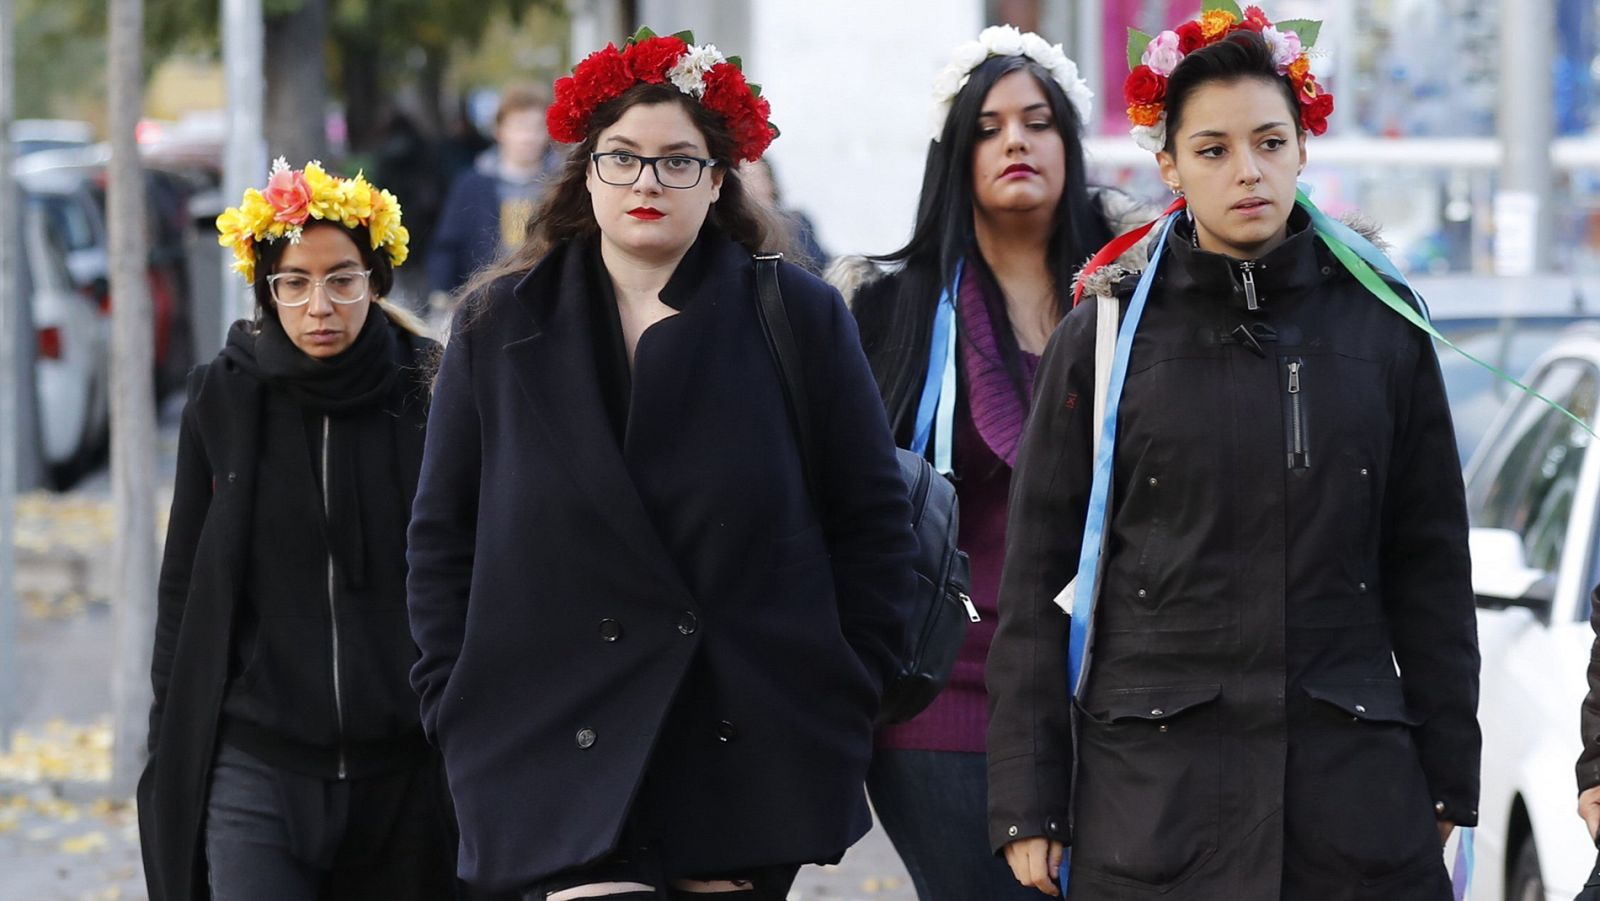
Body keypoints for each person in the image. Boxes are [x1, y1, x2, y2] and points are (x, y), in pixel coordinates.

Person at [405, 28, 917, 901]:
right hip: (549, 747)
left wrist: (842, 693)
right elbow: (441, 537)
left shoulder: (798, 317)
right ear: (587, 171)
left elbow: (871, 525)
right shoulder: (499, 325)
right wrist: (455, 703)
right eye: (624, 158)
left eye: (679, 161)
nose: (648, 181)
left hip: (740, 751)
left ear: (719, 179)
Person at [987, 9, 1479, 900]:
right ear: (1168, 164)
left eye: (1269, 141)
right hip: (1154, 805)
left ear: (1302, 149)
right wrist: (1030, 801)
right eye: (1212, 149)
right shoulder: (1104, 335)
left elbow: (1431, 563)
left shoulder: (1381, 325)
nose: (1247, 171)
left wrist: (1450, 772)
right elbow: (1037, 581)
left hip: (1353, 803)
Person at [834, 26, 1152, 901]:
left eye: (1038, 121)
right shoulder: (884, 307)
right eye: (989, 126)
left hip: (1126, 693)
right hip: (947, 698)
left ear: (1071, 142)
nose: (1015, 140)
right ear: (956, 153)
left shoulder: (1146, 300)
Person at [138, 160, 451, 901]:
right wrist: (170, 740)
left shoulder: (432, 387)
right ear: (266, 288)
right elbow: (185, 584)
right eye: (295, 283)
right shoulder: (222, 395)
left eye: (342, 279)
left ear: (375, 280)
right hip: (258, 771)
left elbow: (472, 569)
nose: (320, 305)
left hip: (408, 775)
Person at [427, 84, 560, 298]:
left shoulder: (561, 184)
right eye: (519, 127)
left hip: (548, 296)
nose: (528, 137)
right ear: (500, 131)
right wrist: (442, 293)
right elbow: (448, 244)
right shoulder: (472, 183)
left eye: (536, 127)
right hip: (485, 298)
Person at [738, 157, 827, 272]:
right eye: (746, 176)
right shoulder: (735, 229)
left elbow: (820, 264)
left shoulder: (797, 222)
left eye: (758, 176)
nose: (753, 183)